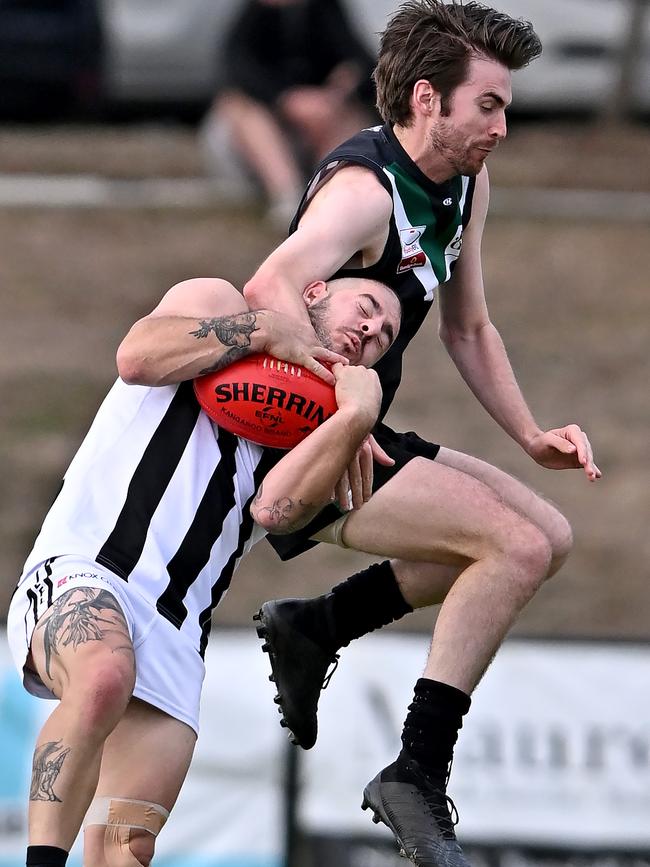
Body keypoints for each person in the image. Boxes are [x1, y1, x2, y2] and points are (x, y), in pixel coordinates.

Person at [242, 2, 602, 866]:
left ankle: (318, 624)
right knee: (510, 548)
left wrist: (530, 434)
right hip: (303, 446)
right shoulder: (366, 191)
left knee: (548, 536)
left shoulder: (466, 184)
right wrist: (336, 409)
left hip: (356, 426)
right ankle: (415, 770)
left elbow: (468, 328)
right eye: (490, 105)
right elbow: (270, 284)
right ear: (429, 99)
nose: (503, 127)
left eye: (507, 106)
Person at [7, 274, 401, 867]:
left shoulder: (322, 424)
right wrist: (264, 329)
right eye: (366, 309)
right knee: (102, 675)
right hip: (89, 568)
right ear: (315, 293)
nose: (371, 332)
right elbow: (137, 358)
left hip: (179, 630)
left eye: (383, 339)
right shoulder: (221, 304)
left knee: (125, 845)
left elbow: (277, 512)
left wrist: (352, 422)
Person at [199, 0, 376, 228]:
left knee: (349, 114)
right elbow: (237, 70)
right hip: (262, 140)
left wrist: (340, 88)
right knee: (239, 106)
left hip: (318, 128)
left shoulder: (326, 10)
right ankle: (286, 195)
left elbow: (363, 63)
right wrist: (287, 100)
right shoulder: (254, 16)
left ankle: (331, 194)